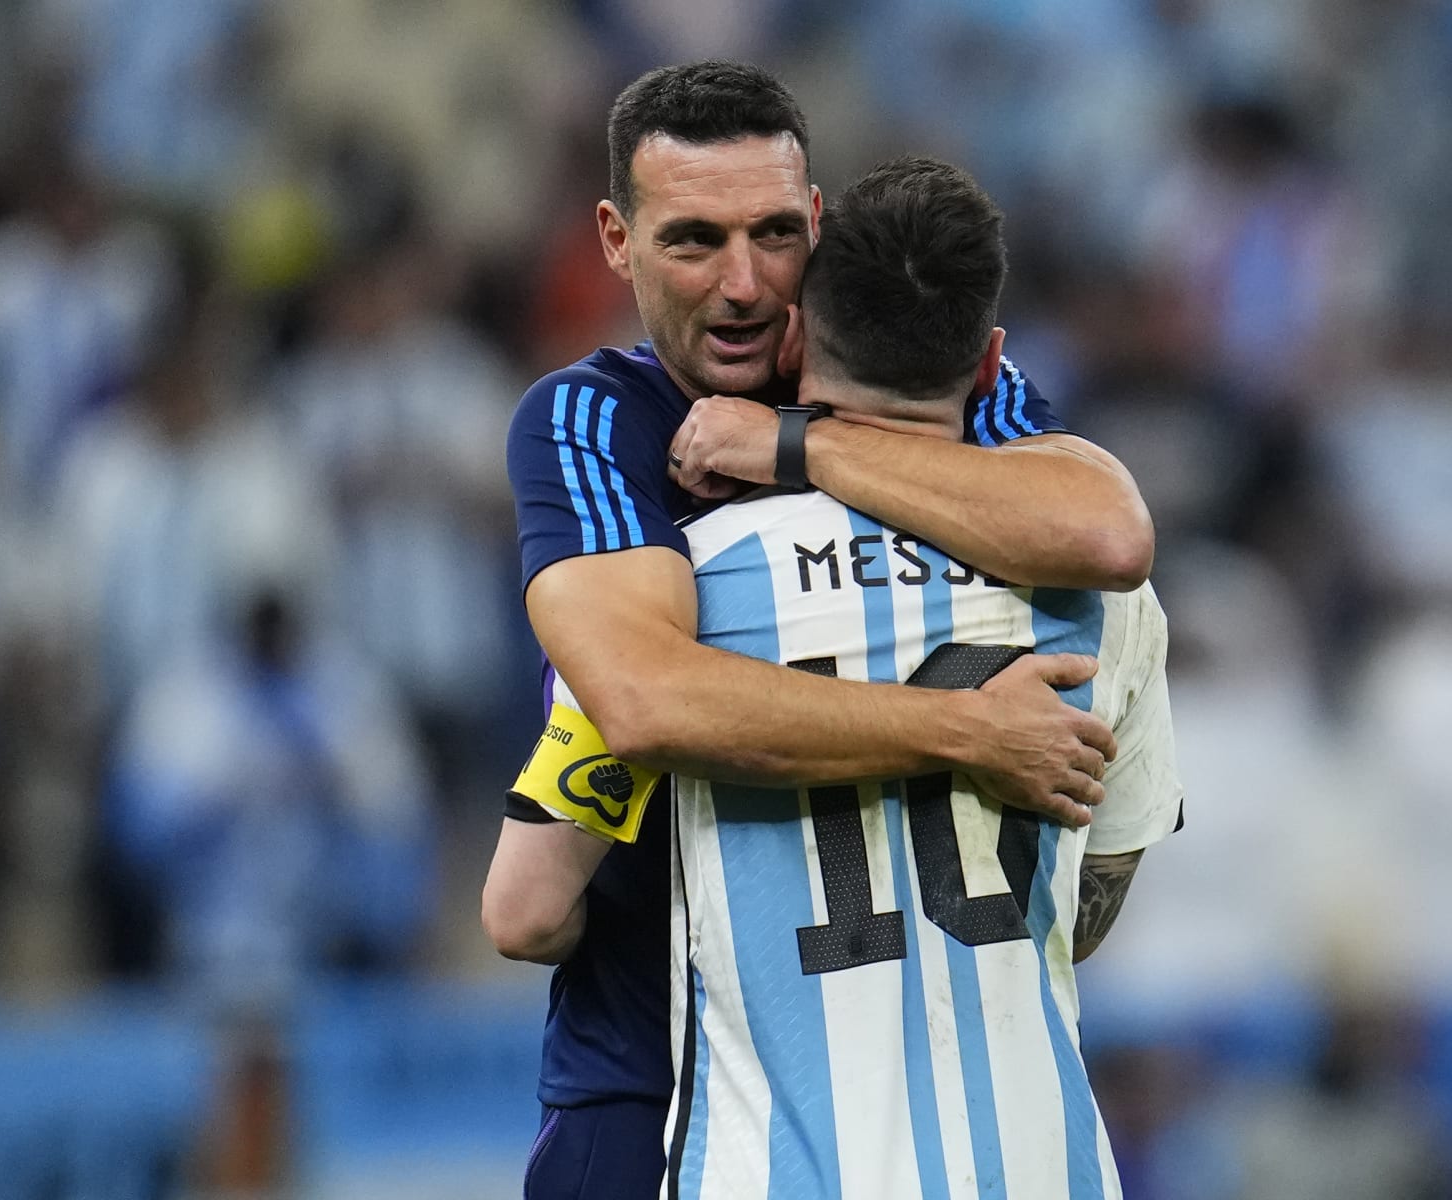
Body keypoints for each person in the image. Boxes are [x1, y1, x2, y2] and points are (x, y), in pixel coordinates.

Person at [481, 61, 1156, 1199]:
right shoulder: (594, 418)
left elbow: (1107, 529)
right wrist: (962, 733)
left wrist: (796, 445)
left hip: (890, 1075)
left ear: (823, 225)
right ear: (615, 237)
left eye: (775, 235)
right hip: (651, 1089)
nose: (744, 285)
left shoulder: (928, 381)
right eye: (695, 239)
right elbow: (641, 701)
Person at [659, 156, 1182, 1199]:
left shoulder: (689, 584)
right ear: (990, 364)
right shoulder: (1099, 596)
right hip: (1037, 1169)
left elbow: (531, 906)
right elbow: (1091, 903)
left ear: (796, 335)